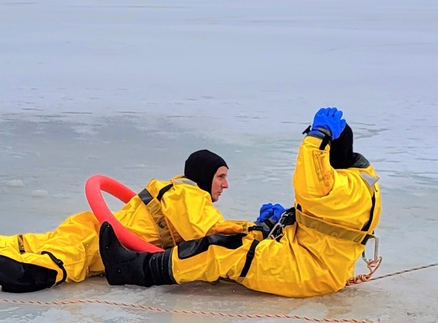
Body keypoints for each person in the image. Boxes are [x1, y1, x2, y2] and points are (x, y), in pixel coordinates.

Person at [0, 149, 267, 293]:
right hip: (96, 244)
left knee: (21, 242)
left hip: (90, 225)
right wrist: (257, 229)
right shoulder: (190, 195)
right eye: (221, 176)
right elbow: (208, 236)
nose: (225, 184)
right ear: (204, 176)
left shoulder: (173, 188)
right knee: (48, 268)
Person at [99, 107, 381, 298]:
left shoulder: (345, 185)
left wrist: (317, 139)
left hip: (310, 269)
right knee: (249, 235)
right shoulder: (356, 182)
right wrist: (288, 218)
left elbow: (313, 184)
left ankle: (134, 269)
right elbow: (326, 214)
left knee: (219, 250)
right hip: (312, 257)